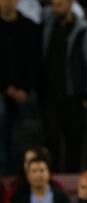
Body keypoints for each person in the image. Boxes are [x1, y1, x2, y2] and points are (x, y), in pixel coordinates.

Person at [40, 0, 87, 172]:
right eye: (54, 4)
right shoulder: (47, 25)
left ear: (70, 4)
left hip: (75, 95)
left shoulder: (83, 30)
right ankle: (53, 177)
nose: (56, 8)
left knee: (74, 139)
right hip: (50, 94)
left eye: (60, 4)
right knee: (51, 139)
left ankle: (72, 177)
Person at [0, 0, 41, 174]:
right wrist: (7, 87)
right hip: (1, 89)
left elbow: (34, 62)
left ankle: (17, 171)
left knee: (21, 129)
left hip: (23, 91)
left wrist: (24, 89)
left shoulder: (29, 27)